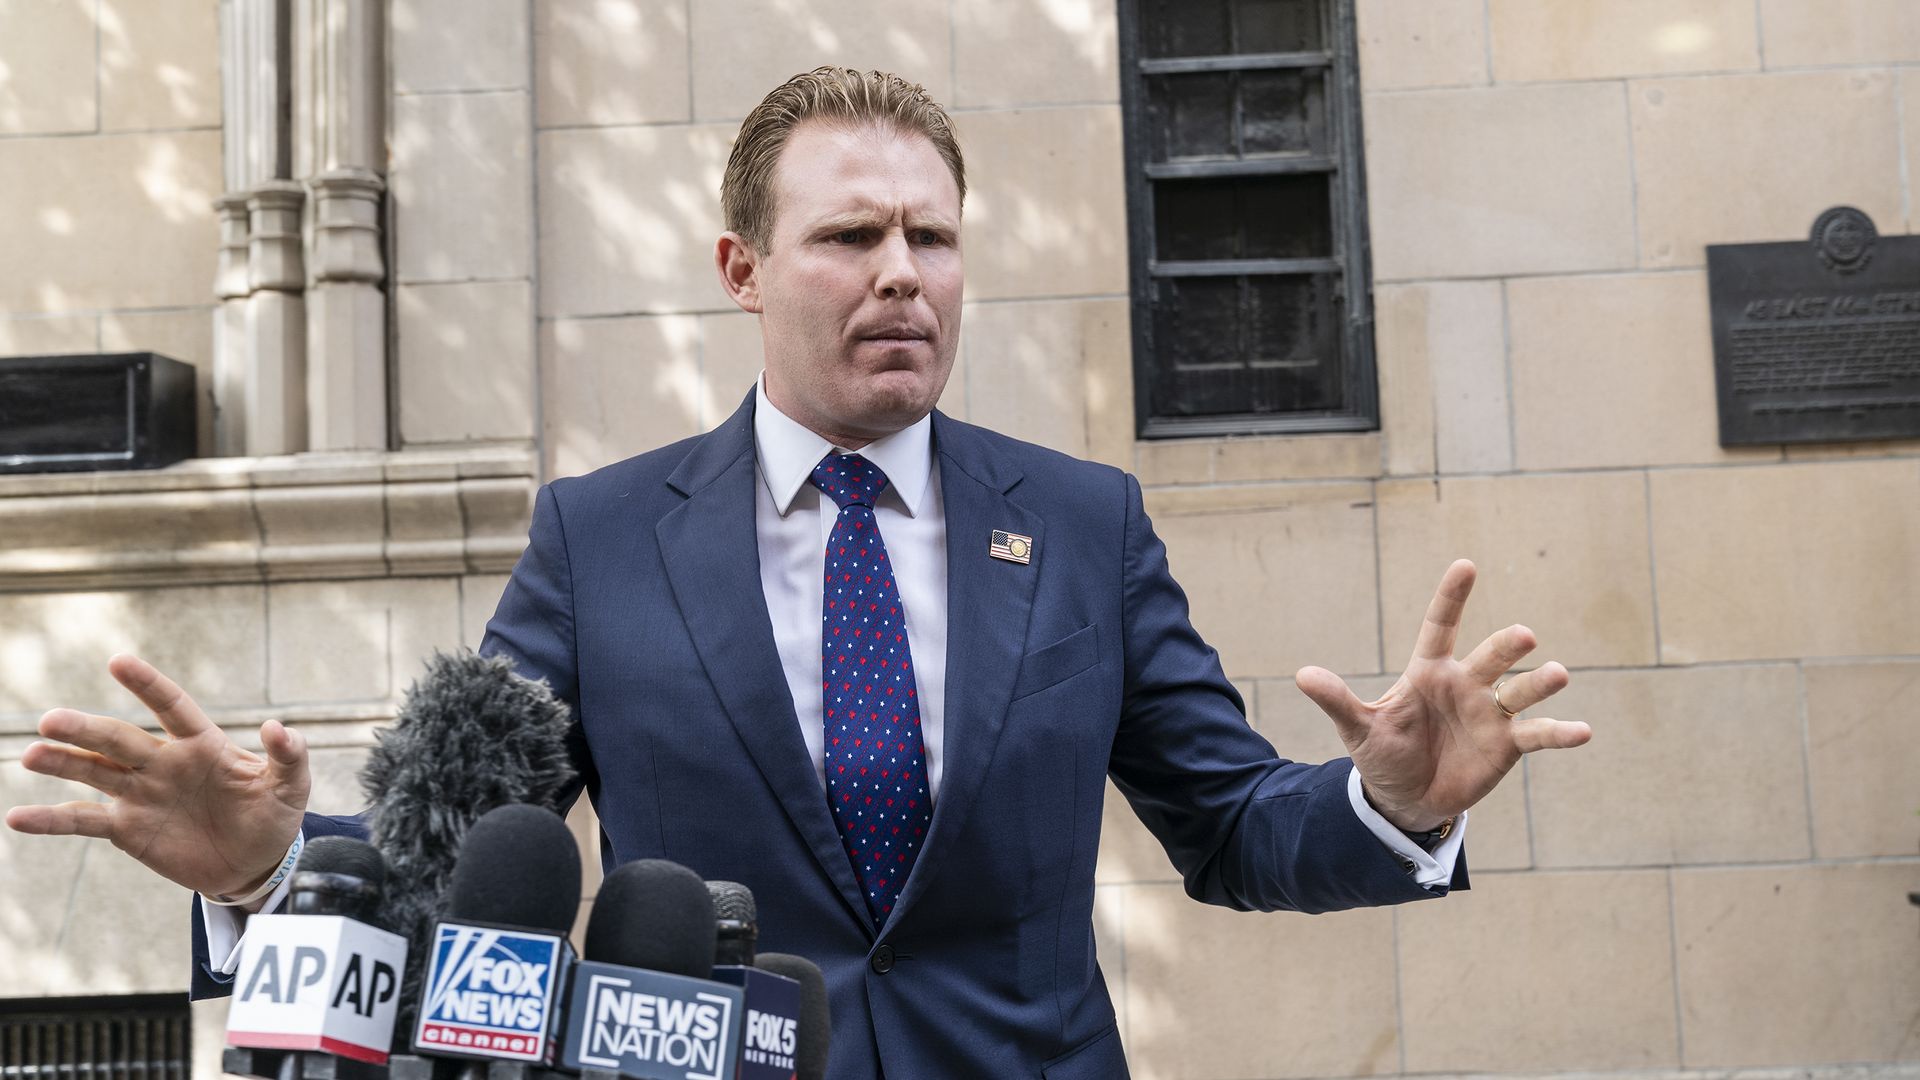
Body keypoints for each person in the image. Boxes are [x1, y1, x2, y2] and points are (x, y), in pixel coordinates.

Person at [6, 67, 1587, 1078]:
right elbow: (462, 858)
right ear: (743, 270)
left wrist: (1397, 804)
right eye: (851, 238)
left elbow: (1233, 828)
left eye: (935, 238)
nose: (904, 271)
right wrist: (268, 869)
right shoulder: (603, 537)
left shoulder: (1088, 525)